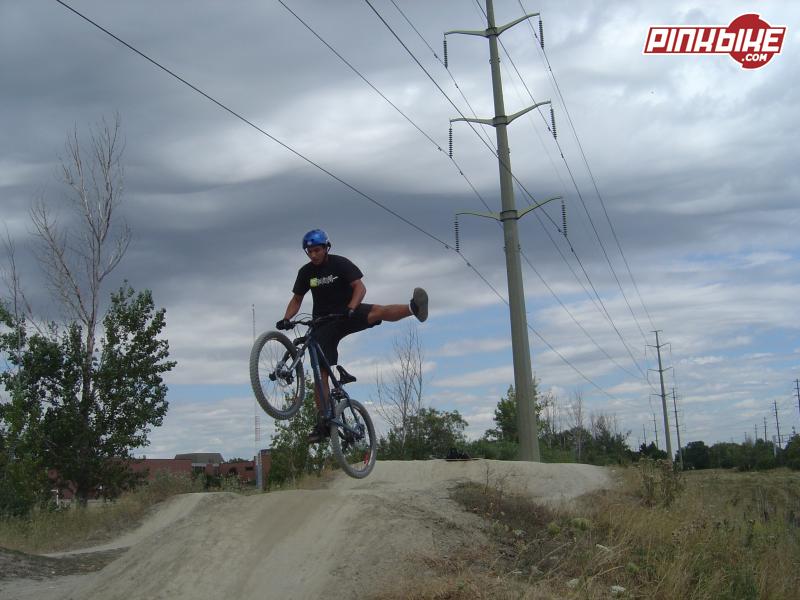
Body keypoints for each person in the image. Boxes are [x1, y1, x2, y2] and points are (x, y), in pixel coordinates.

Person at [276, 229, 428, 443]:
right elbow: (297, 299)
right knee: (320, 376)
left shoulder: (340, 264)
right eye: (309, 251)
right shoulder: (306, 273)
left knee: (377, 311)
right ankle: (323, 423)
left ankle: (414, 308)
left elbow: (360, 287)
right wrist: (286, 318)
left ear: (326, 248)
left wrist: (351, 307)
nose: (313, 255)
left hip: (347, 311)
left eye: (317, 250)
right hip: (323, 323)